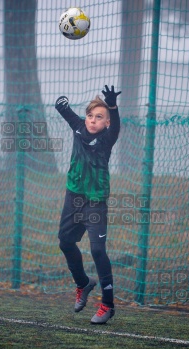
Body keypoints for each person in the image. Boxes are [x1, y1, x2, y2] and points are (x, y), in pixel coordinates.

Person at [54, 85, 121, 324]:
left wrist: (112, 105)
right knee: (65, 242)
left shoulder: (107, 139)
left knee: (97, 250)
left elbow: (115, 123)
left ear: (107, 123)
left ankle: (108, 304)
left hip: (95, 201)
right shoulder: (79, 128)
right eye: (90, 115)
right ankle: (83, 283)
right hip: (74, 197)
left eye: (99, 117)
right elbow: (68, 114)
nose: (93, 120)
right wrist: (60, 105)